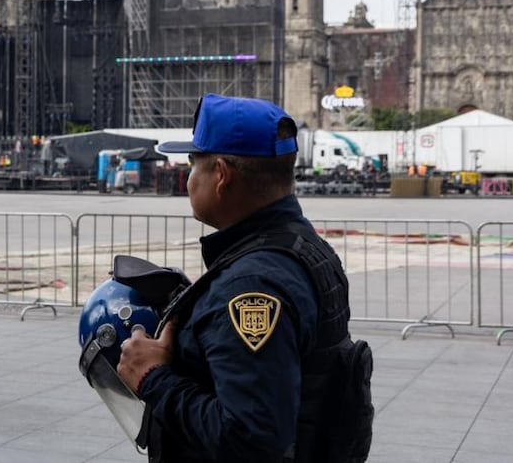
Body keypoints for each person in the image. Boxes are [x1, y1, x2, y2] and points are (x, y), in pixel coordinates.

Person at [116, 94, 359, 462]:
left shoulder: (251, 286)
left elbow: (251, 439)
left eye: (193, 164)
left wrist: (153, 378)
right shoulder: (304, 247)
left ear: (222, 176)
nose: (188, 179)